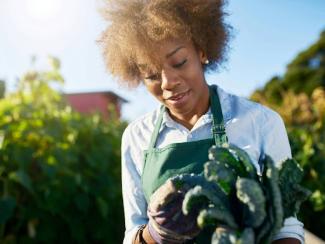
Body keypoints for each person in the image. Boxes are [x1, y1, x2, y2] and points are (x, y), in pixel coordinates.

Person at [99, 0, 305, 243]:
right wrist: (156, 232)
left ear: (202, 51)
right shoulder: (136, 136)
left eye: (179, 62)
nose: (167, 82)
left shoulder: (261, 122)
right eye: (151, 74)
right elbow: (133, 233)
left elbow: (287, 227)